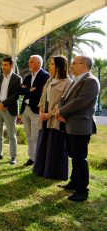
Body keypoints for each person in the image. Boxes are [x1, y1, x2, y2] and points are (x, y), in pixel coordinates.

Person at [55, 55, 100, 202]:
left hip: (80, 125)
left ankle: (82, 190)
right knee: (74, 156)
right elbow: (64, 99)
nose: (72, 65)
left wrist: (61, 112)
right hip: (69, 123)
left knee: (80, 158)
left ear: (84, 64)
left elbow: (80, 102)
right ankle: (74, 182)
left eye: (74, 63)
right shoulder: (76, 80)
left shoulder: (91, 81)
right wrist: (60, 111)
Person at [33, 56, 72, 180]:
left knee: (55, 145)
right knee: (43, 143)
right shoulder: (49, 80)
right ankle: (40, 170)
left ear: (60, 66)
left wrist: (49, 114)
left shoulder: (68, 82)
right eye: (50, 64)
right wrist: (40, 111)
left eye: (52, 64)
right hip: (43, 116)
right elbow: (42, 97)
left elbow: (63, 103)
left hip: (55, 118)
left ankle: (54, 173)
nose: (49, 66)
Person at [0, 57, 22, 164]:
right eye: (2, 65)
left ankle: (13, 157)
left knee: (12, 134)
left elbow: (16, 95)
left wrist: (4, 104)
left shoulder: (17, 79)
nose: (3, 67)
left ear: (11, 66)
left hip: (9, 109)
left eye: (6, 65)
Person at [20, 55, 50, 166]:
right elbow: (20, 91)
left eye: (31, 61)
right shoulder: (28, 77)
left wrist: (27, 90)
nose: (29, 63)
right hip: (25, 109)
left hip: (36, 110)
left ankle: (38, 159)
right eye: (29, 61)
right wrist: (30, 89)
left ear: (38, 63)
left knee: (35, 136)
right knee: (28, 135)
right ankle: (31, 158)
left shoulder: (45, 76)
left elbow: (40, 93)